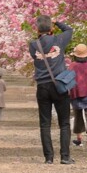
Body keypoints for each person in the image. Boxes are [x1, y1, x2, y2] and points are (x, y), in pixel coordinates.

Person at [29, 14, 74, 164]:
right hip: (59, 85)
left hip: (42, 86)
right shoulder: (59, 40)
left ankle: (48, 158)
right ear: (51, 28)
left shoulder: (33, 45)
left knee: (45, 123)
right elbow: (69, 29)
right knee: (64, 123)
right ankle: (65, 157)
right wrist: (57, 22)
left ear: (37, 29)